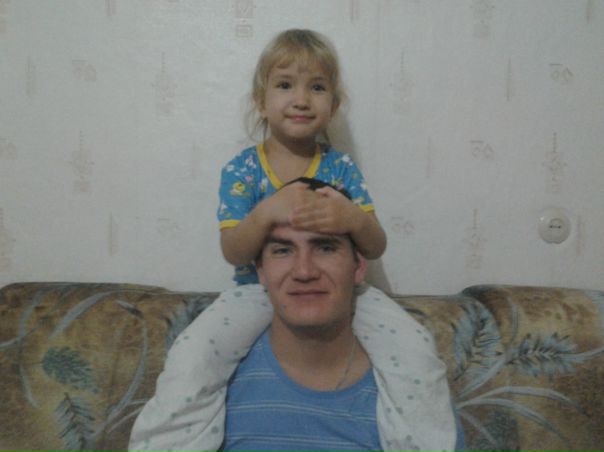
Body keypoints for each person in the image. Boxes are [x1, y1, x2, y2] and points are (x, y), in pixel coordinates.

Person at [129, 29, 457, 452]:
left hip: (349, 295)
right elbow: (233, 251)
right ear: (260, 101)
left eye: (316, 88)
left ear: (333, 105)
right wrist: (266, 212)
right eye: (285, 85)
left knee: (413, 346)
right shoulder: (243, 169)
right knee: (195, 354)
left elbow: (375, 246)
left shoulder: (341, 167)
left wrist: (351, 217)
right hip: (254, 292)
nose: (301, 99)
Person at [219, 222, 464, 451]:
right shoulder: (214, 382)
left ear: (358, 266)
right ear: (260, 270)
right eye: (283, 250)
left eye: (326, 248)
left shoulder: (415, 391)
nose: (304, 271)